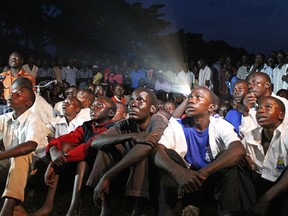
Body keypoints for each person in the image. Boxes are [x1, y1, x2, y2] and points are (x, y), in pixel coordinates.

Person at [153, 86, 247, 215]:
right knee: (168, 155)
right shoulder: (177, 125)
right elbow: (157, 151)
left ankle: (227, 212)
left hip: (209, 181)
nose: (191, 100)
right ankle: (169, 212)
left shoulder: (220, 124)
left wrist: (204, 172)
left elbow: (238, 149)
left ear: (212, 107)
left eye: (198, 97)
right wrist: (177, 171)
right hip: (185, 183)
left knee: (227, 156)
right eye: (190, 97)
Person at [87, 88, 169, 216]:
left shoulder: (158, 120)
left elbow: (147, 146)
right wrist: (132, 136)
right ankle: (105, 205)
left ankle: (137, 209)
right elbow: (96, 142)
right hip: (127, 170)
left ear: (152, 109)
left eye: (140, 101)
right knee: (105, 148)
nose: (133, 104)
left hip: (154, 172)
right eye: (131, 100)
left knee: (141, 152)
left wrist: (107, 175)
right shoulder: (125, 123)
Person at [33, 97, 117, 216]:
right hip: (79, 166)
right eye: (93, 105)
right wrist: (54, 153)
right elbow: (62, 139)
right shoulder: (88, 125)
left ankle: (74, 207)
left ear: (111, 113)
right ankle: (48, 205)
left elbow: (88, 147)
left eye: (99, 106)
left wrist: (53, 163)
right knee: (66, 145)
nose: (93, 108)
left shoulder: (112, 128)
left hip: (100, 169)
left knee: (82, 161)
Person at [0, 85, 47, 215]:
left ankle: (8, 208)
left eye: (18, 94)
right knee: (16, 158)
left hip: (37, 168)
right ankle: (16, 208)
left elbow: (30, 146)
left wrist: (1, 155)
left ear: (28, 103)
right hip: (14, 165)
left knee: (21, 156)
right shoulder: (5, 118)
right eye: (12, 92)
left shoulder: (34, 120)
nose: (12, 95)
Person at [242, 96, 288, 216]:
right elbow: (235, 150)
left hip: (282, 190)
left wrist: (267, 198)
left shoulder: (286, 135)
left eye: (268, 107)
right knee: (234, 163)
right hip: (259, 186)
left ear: (281, 116)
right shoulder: (251, 136)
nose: (260, 111)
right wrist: (242, 156)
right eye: (258, 108)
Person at [240, 72, 288, 137]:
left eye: (255, 82)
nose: (250, 86)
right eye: (248, 84)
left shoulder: (283, 103)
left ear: (267, 84)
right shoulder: (249, 106)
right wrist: (245, 112)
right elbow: (248, 136)